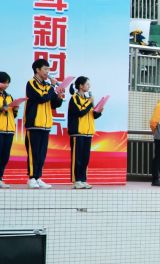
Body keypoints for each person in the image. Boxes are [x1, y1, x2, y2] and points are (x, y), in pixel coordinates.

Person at [24, 58, 66, 188]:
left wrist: (58, 96)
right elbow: (41, 98)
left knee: (42, 153)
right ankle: (31, 178)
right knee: (33, 152)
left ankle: (38, 177)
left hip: (46, 124)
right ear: (37, 70)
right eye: (45, 69)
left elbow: (53, 104)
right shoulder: (31, 83)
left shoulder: (48, 86)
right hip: (34, 123)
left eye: (49, 69)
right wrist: (53, 87)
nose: (48, 72)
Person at [67, 77, 105, 189]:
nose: (89, 86)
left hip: (88, 133)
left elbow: (93, 115)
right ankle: (76, 180)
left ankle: (83, 179)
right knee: (77, 158)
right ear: (80, 86)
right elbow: (80, 112)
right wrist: (90, 102)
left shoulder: (88, 99)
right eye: (87, 84)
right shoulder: (75, 98)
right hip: (78, 133)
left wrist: (99, 111)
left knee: (85, 158)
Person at [0, 71, 23, 188]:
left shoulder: (9, 96)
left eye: (7, 83)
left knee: (5, 156)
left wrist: (15, 109)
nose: (6, 85)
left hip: (9, 130)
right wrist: (1, 109)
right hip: (0, 129)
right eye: (3, 82)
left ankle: (0, 177)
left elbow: (12, 115)